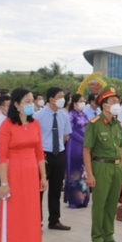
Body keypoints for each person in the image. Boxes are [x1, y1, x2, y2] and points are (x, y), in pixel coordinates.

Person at [0, 88, 47, 242]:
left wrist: (43, 176)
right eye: (27, 101)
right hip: (14, 174)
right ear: (16, 104)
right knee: (16, 218)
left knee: (32, 218)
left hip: (32, 174)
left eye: (32, 100)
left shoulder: (35, 124)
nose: (31, 104)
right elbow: (1, 157)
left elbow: (39, 153)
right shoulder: (6, 126)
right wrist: (3, 183)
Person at [83, 85, 122, 242]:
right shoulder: (94, 124)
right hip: (101, 166)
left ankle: (109, 236)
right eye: (114, 101)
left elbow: (121, 149)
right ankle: (97, 238)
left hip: (116, 167)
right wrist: (90, 174)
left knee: (111, 204)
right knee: (100, 204)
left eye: (118, 101)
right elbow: (87, 150)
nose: (117, 103)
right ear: (105, 105)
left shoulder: (117, 124)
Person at [33, 87, 72, 230]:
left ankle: (54, 220)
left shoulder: (64, 115)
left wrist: (59, 148)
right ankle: (37, 221)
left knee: (56, 189)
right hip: (43, 154)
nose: (64, 99)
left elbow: (65, 135)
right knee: (39, 189)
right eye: (60, 96)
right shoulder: (38, 116)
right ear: (51, 99)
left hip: (59, 153)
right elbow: (35, 137)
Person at [64, 94, 90, 209]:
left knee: (84, 170)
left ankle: (84, 198)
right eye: (81, 101)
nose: (83, 103)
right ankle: (74, 199)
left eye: (84, 101)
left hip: (85, 146)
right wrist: (83, 140)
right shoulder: (70, 115)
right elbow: (71, 131)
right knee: (75, 171)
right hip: (74, 145)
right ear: (74, 103)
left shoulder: (84, 115)